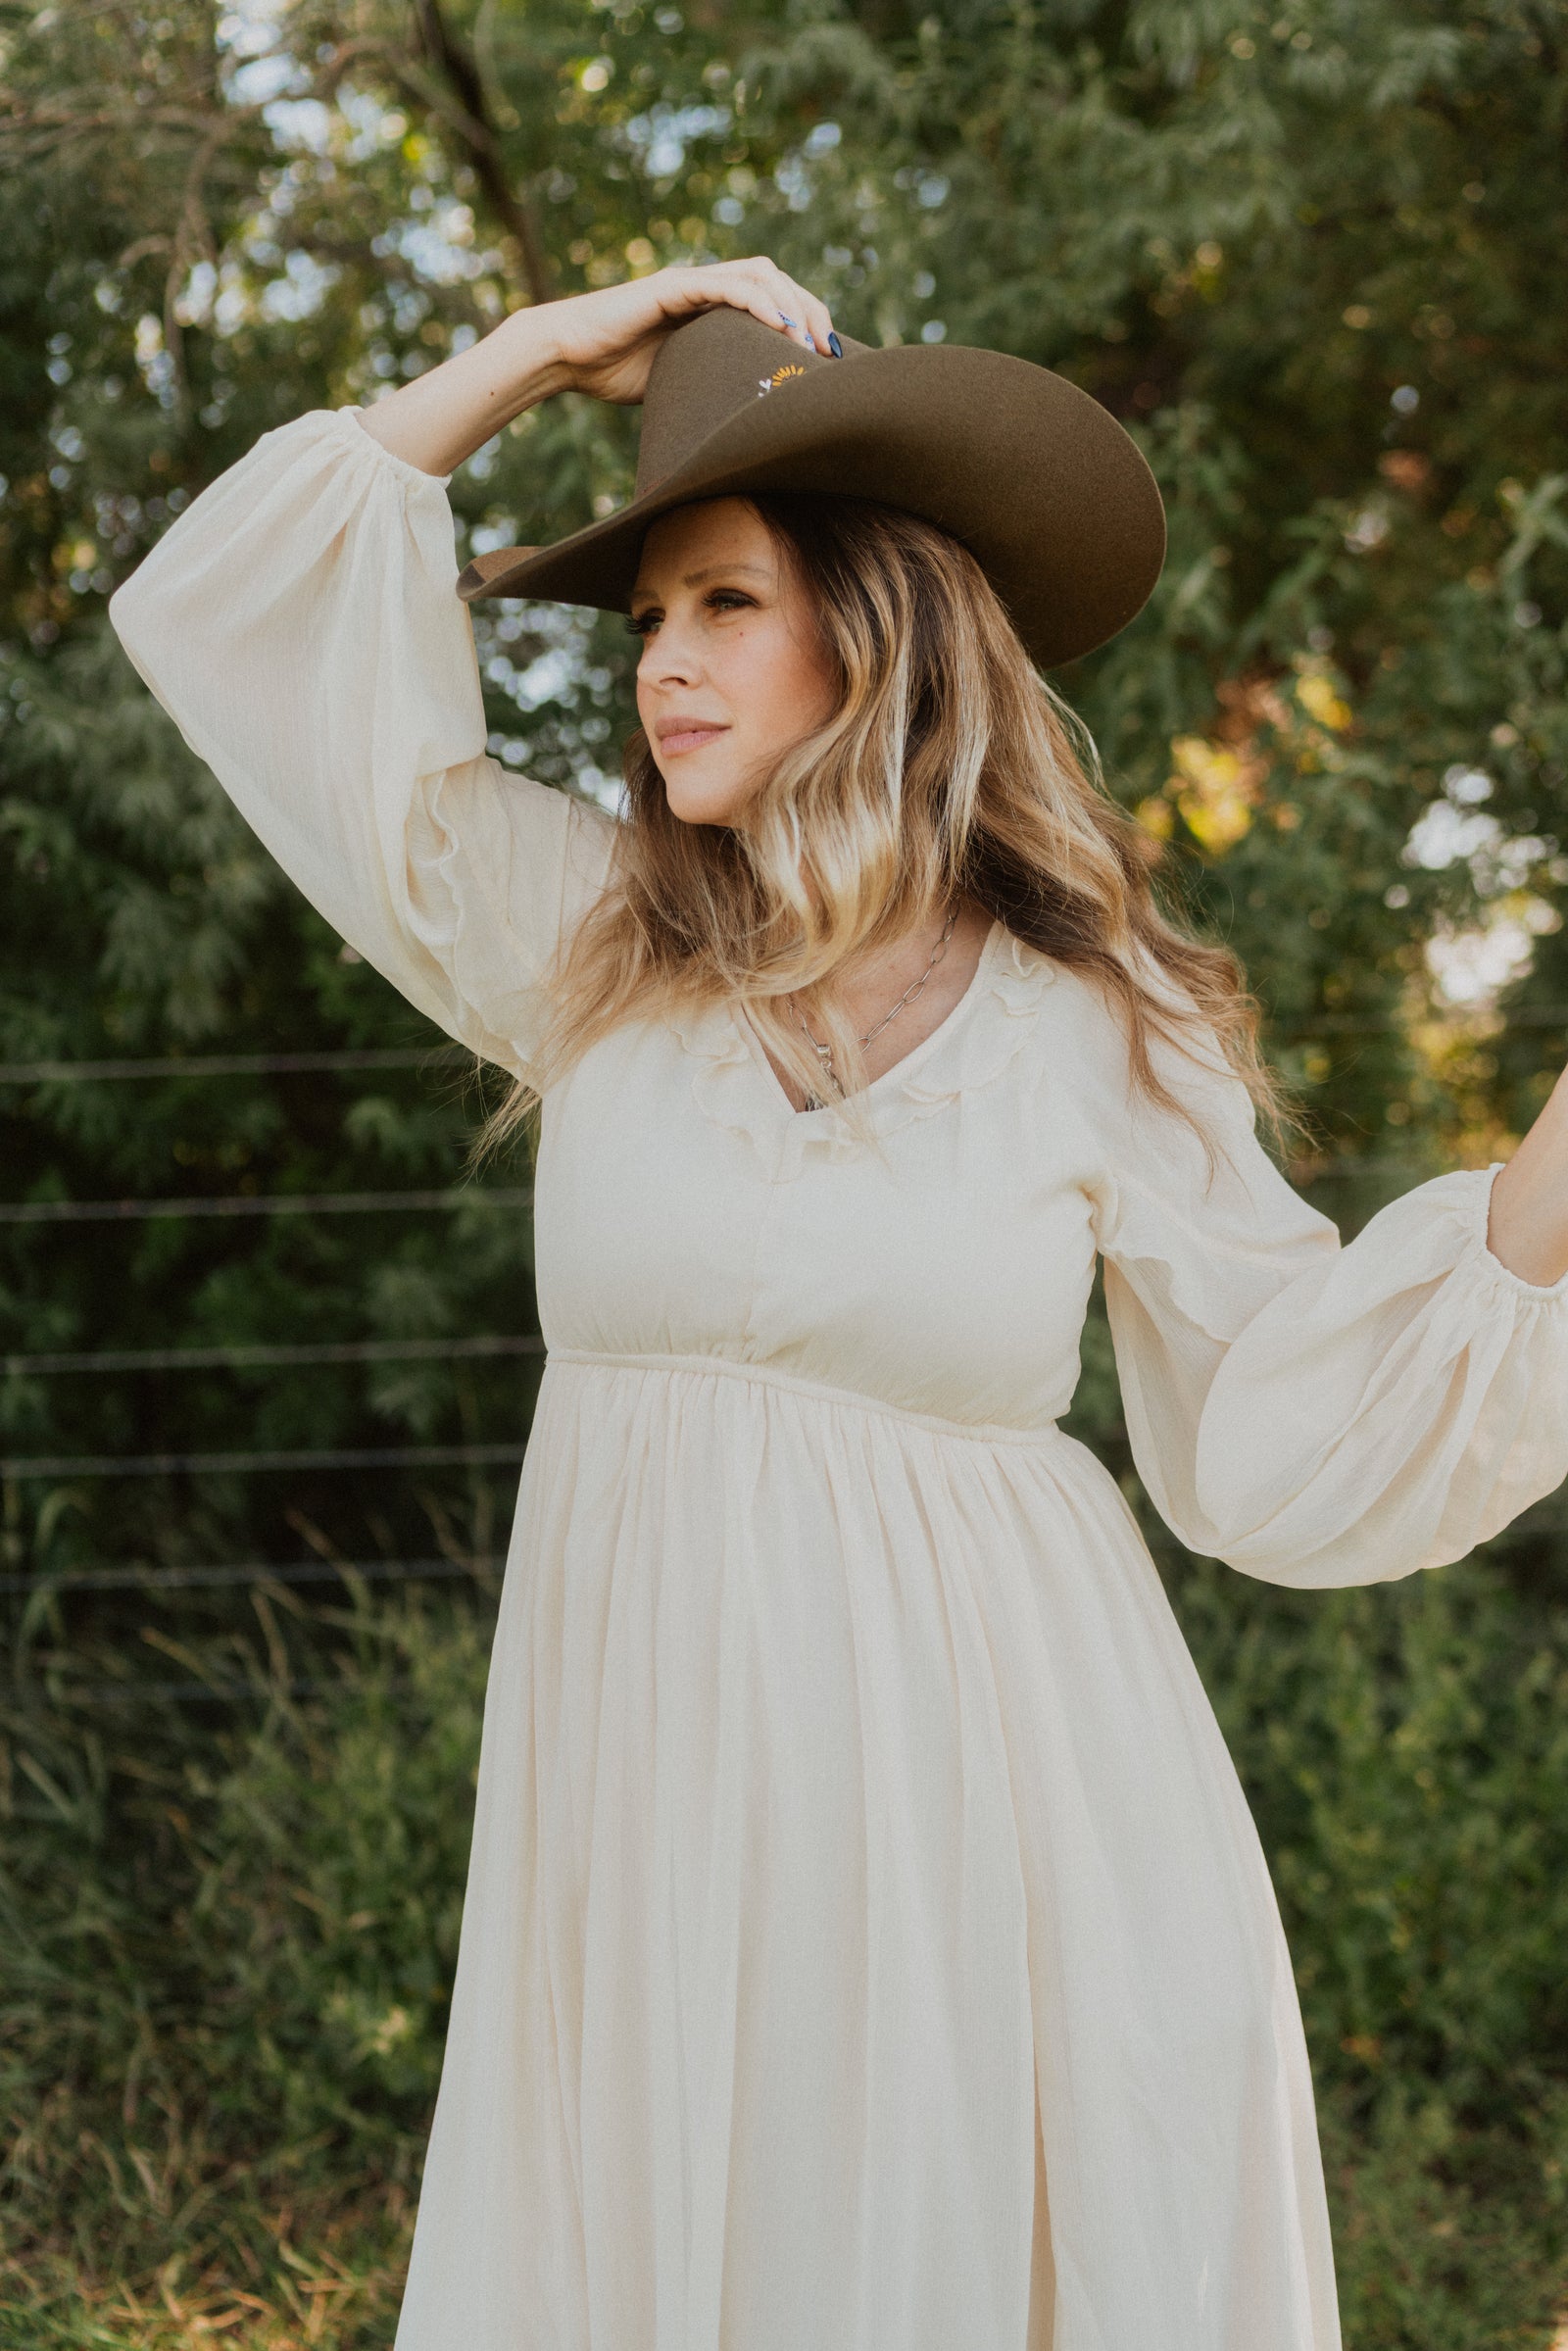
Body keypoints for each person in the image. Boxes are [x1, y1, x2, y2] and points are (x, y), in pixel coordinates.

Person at [109, 255, 1568, 2351]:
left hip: (1012, 1805)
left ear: (876, 634)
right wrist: (536, 350)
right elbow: (239, 624)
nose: (662, 668)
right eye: (644, 621)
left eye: (725, 603)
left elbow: (1290, 1422)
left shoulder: (1097, 1021)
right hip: (657, 1804)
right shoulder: (585, 938)